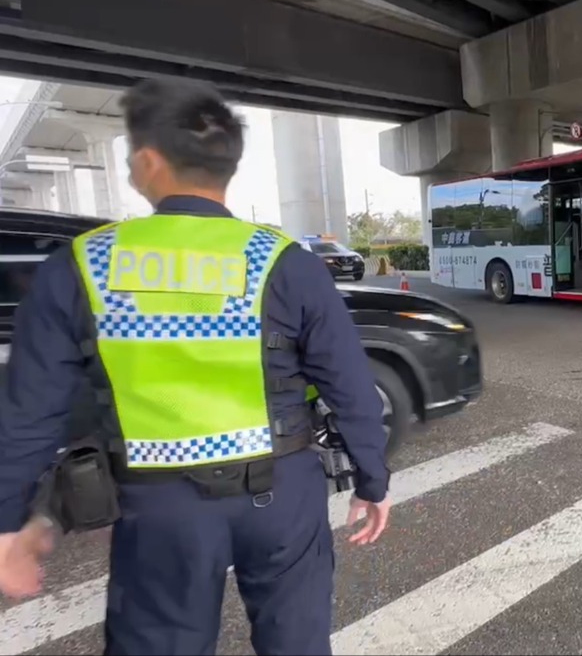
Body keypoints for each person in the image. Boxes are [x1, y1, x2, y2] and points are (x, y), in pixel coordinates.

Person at [0, 77, 392, 655]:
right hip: (281, 493)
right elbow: (352, 385)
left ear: (151, 162)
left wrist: (9, 520)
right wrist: (372, 482)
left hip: (157, 508)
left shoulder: (83, 264)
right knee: (297, 642)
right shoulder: (284, 261)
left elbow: (30, 413)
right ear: (226, 166)